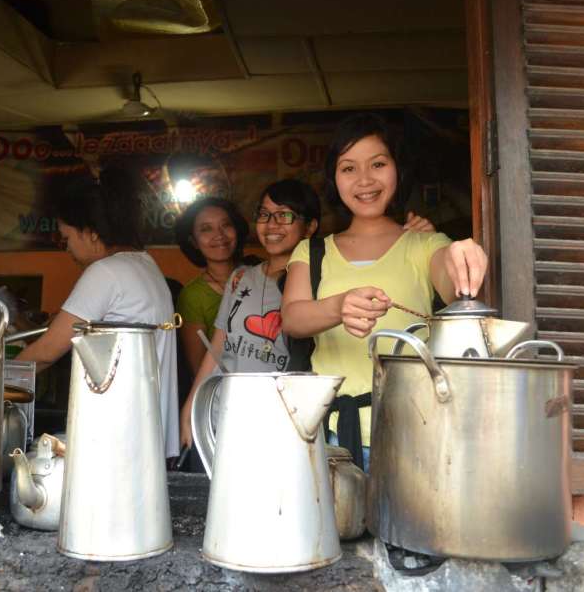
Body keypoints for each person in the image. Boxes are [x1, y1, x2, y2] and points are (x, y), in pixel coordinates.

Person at [281, 113, 488, 469]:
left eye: (378, 163)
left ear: (398, 169)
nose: (364, 180)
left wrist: (459, 253)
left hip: (413, 431)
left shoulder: (425, 244)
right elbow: (292, 318)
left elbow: (452, 283)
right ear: (334, 177)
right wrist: (339, 306)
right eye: (348, 168)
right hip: (328, 437)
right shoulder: (313, 251)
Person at [178, 178, 437, 449]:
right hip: (229, 417)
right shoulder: (241, 278)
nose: (271, 224)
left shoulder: (322, 281)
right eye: (265, 214)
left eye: (285, 215)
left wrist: (417, 236)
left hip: (285, 423)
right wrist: (191, 407)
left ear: (310, 227)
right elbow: (218, 347)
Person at [15, 167, 179, 459]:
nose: (66, 249)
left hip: (123, 436)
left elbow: (45, 353)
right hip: (147, 433)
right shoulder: (145, 264)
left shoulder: (106, 272)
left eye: (67, 238)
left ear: (90, 233)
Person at [174, 197, 249, 378]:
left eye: (226, 225)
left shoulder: (260, 276)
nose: (219, 235)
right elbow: (199, 370)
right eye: (206, 229)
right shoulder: (193, 296)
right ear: (193, 241)